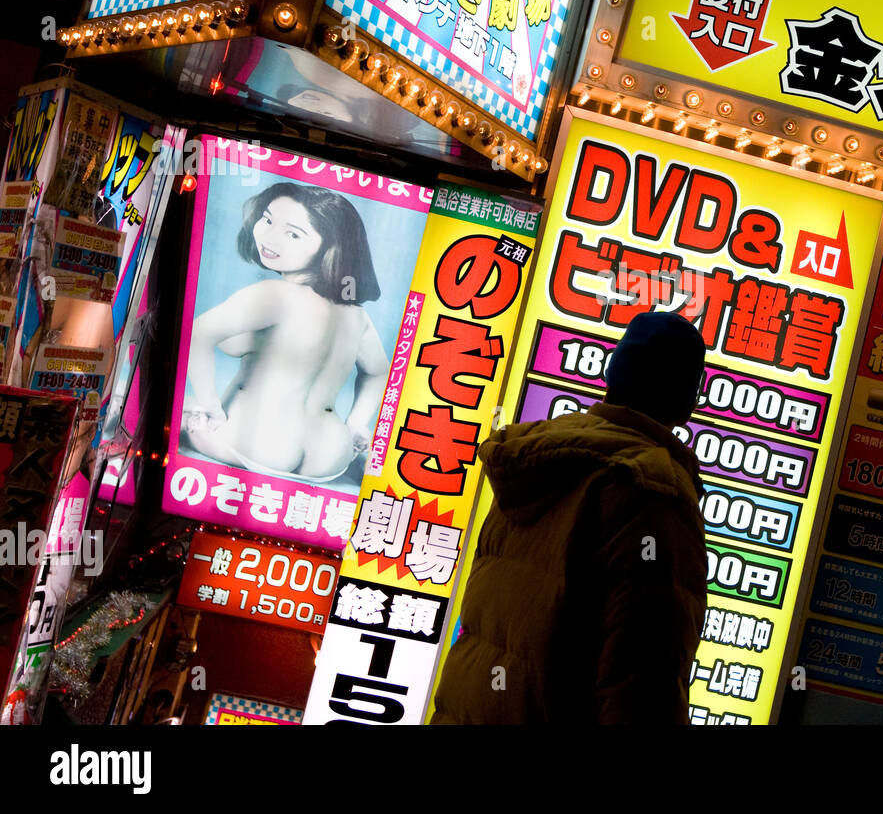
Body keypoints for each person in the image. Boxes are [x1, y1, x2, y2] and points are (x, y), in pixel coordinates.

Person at [431, 311, 709, 724]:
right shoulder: (649, 495)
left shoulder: (537, 463)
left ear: (613, 378)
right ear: (687, 404)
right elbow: (643, 679)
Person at [182, 182, 389, 482]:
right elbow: (378, 370)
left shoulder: (275, 295)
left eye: (293, 234)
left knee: (187, 414)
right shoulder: (357, 315)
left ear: (331, 247)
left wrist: (211, 409)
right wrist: (357, 424)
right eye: (266, 220)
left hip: (259, 444)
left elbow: (198, 333)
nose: (268, 236)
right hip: (331, 457)